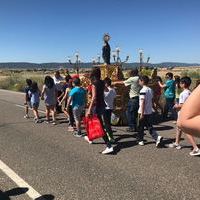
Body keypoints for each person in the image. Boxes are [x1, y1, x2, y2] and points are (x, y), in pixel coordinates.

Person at [85, 67, 114, 154]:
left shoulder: (94, 84)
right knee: (93, 122)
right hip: (102, 105)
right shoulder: (102, 82)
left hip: (96, 106)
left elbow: (93, 97)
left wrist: (89, 109)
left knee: (99, 125)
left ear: (93, 74)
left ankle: (108, 145)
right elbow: (107, 89)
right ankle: (90, 137)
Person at [169, 77, 200, 156]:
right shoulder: (190, 92)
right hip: (188, 114)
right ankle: (176, 142)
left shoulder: (183, 94)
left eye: (180, 83)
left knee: (185, 129)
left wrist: (176, 106)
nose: (179, 84)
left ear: (183, 84)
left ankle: (195, 148)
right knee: (179, 129)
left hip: (183, 115)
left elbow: (182, 105)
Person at [137, 75, 163, 147]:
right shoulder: (150, 90)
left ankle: (141, 140)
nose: (139, 82)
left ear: (142, 81)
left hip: (142, 111)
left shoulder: (142, 91)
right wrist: (154, 109)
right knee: (148, 126)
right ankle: (157, 137)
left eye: (139, 81)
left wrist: (142, 113)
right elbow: (152, 100)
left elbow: (142, 102)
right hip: (149, 111)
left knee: (140, 126)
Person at [104, 77, 117, 142]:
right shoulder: (113, 90)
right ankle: (109, 134)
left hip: (106, 108)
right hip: (111, 107)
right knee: (108, 122)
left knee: (107, 123)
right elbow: (114, 99)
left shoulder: (106, 91)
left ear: (106, 83)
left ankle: (111, 137)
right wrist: (114, 106)